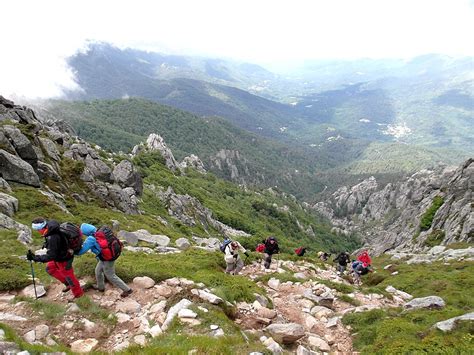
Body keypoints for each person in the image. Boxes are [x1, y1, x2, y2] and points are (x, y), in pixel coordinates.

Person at [27, 217, 84, 300]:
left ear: (41, 228)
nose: (38, 232)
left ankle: (79, 295)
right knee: (50, 268)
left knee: (69, 277)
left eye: (37, 230)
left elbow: (51, 256)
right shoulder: (52, 229)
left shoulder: (52, 237)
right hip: (61, 255)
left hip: (64, 258)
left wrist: (35, 258)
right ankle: (67, 284)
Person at [78, 223, 132, 297]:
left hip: (107, 258)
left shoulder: (91, 238)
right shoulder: (102, 232)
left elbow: (81, 251)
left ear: (86, 232)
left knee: (110, 275)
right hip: (104, 257)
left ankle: (127, 290)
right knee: (98, 271)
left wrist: (71, 250)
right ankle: (101, 287)